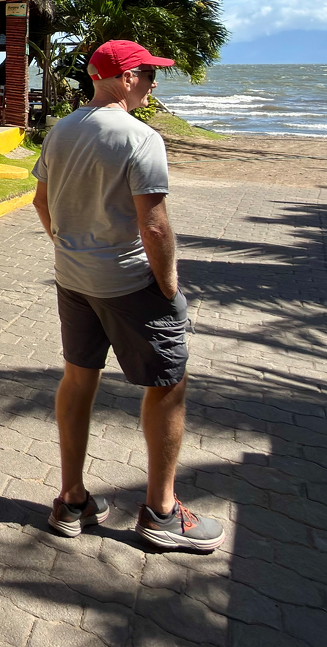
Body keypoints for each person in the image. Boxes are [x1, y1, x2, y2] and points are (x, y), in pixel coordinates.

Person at [30, 39, 224, 552]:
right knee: (169, 384)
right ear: (127, 77)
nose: (153, 85)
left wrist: (68, 247)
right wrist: (169, 287)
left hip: (74, 279)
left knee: (78, 378)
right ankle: (162, 512)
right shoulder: (141, 138)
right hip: (129, 283)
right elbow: (154, 225)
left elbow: (40, 201)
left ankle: (72, 500)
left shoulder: (62, 129)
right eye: (149, 75)